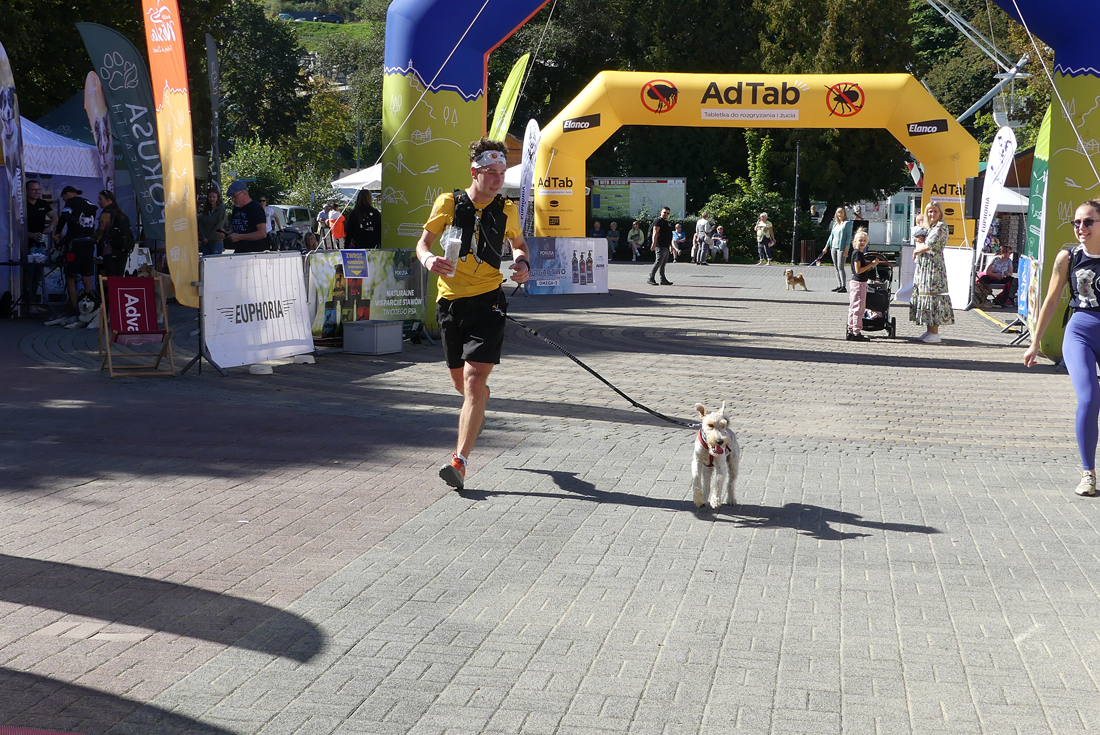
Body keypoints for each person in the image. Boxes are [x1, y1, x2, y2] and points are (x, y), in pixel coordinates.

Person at [415, 137, 531, 491]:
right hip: (451, 303)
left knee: (473, 380)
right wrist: (428, 260)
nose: (497, 179)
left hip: (489, 302)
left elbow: (519, 245)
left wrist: (522, 263)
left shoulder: (507, 208)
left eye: (501, 173)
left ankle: (459, 462)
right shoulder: (448, 202)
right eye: (490, 172)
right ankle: (479, 400)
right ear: (474, 172)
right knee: (461, 384)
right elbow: (423, 243)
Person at [1024, 200, 1100, 496]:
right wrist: (1035, 342)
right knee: (1089, 398)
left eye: (1088, 222)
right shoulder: (1068, 256)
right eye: (1077, 222)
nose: (1081, 227)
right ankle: (1088, 473)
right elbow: (1052, 299)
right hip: (1080, 331)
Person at [909, 201, 954, 342]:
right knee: (925, 295)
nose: (932, 214)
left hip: (934, 267)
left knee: (933, 297)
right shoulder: (930, 227)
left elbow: (931, 244)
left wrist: (916, 250)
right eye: (930, 211)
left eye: (935, 211)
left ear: (940, 213)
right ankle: (929, 330)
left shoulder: (941, 226)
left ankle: (934, 333)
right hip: (925, 266)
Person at [55, 186, 99, 314]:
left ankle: (74, 308)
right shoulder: (89, 203)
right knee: (86, 276)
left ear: (68, 194)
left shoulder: (71, 203)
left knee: (70, 277)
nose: (64, 200)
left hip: (74, 245)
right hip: (89, 243)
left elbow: (65, 216)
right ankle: (91, 308)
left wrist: (58, 232)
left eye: (64, 198)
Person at [846, 228, 886, 341]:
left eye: (864, 240)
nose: (862, 243)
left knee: (853, 307)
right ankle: (856, 332)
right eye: (860, 240)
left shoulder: (857, 253)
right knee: (859, 308)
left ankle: (851, 330)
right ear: (855, 241)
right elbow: (858, 270)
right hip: (859, 282)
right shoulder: (857, 254)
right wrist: (871, 265)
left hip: (857, 282)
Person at [24, 180, 56, 308]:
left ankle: (34, 302)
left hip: (40, 245)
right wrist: (29, 234)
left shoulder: (43, 203)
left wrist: (50, 227)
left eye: (38, 189)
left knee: (38, 274)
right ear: (27, 191)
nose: (37, 192)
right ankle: (28, 304)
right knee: (28, 273)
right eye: (34, 190)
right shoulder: (23, 205)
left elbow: (54, 217)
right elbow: (16, 225)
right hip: (26, 244)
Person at [94, 190, 132, 278]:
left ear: (108, 200)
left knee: (111, 277)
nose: (98, 202)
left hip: (110, 250)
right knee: (119, 276)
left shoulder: (105, 215)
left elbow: (99, 235)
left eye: (100, 199)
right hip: (124, 250)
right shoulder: (121, 214)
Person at [224, 180, 268, 253]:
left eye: (235, 196)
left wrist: (239, 237)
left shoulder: (256, 208)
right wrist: (227, 234)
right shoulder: (236, 210)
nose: (233, 199)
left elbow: (262, 233)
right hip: (239, 250)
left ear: (244, 193)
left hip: (254, 252)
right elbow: (236, 230)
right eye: (231, 197)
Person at [821, 208, 853, 292]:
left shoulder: (847, 223)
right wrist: (826, 247)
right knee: (835, 266)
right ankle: (839, 284)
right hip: (833, 247)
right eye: (838, 213)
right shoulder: (835, 224)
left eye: (841, 212)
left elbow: (848, 237)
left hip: (841, 247)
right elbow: (831, 236)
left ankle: (843, 286)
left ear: (844, 213)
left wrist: (846, 249)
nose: (840, 214)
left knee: (840, 266)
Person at [647, 206, 674, 285]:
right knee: (658, 262)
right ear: (661, 212)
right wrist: (654, 243)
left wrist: (671, 245)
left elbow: (669, 235)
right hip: (660, 245)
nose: (666, 214)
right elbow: (655, 232)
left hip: (666, 245)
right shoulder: (658, 221)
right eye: (664, 212)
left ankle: (663, 279)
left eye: (668, 213)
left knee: (663, 264)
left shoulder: (666, 222)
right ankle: (651, 278)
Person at [198, 189, 227, 256]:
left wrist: (208, 239)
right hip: (205, 242)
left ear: (217, 198)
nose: (211, 199)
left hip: (215, 241)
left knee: (215, 260)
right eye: (210, 197)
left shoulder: (221, 210)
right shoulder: (205, 210)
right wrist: (203, 237)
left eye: (214, 197)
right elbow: (201, 225)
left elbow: (218, 226)